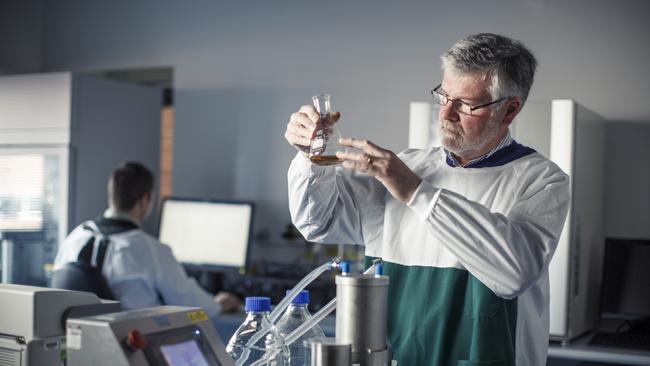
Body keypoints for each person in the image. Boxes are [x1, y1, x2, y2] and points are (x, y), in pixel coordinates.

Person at [285, 33, 570, 365]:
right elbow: (318, 222)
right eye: (444, 96)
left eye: (465, 104)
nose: (446, 114)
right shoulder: (408, 167)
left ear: (508, 111)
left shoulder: (541, 180)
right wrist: (311, 157)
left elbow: (513, 273)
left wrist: (417, 192)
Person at [54, 161, 241, 318]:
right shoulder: (150, 249)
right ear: (144, 201)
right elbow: (190, 305)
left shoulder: (74, 237)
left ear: (112, 196)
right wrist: (218, 305)